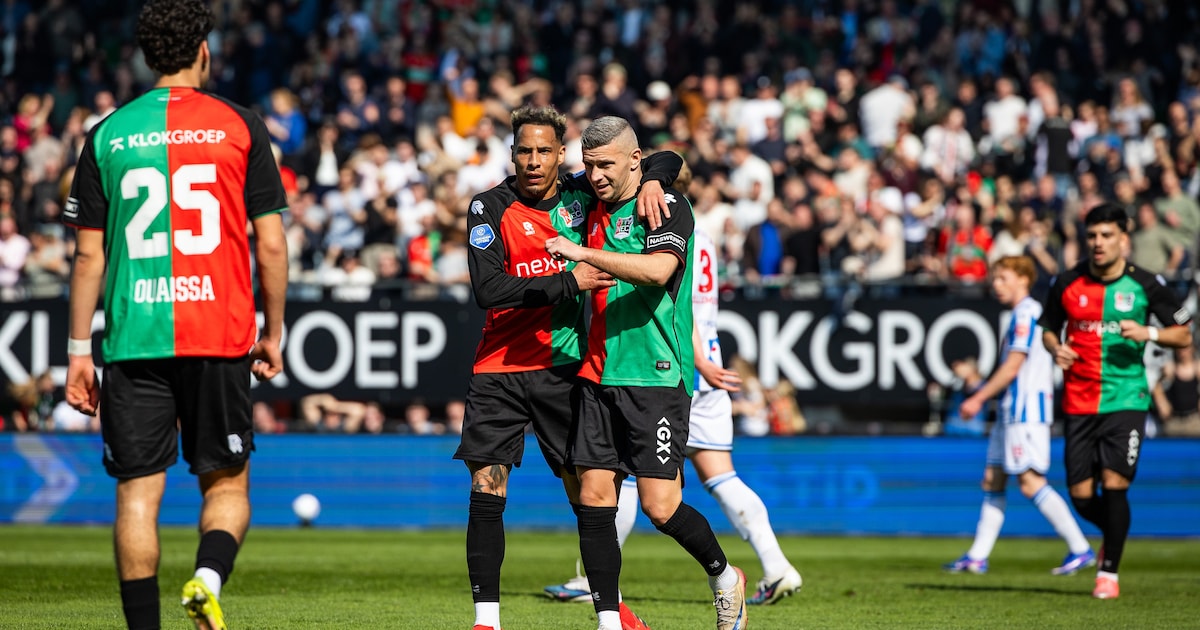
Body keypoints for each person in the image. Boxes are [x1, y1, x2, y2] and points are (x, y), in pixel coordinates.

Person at [62, 1, 288, 628]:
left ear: (144, 56)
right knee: (227, 486)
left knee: (137, 494)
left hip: (135, 338)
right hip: (218, 334)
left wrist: (80, 351)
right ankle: (206, 579)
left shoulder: (107, 133)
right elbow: (269, 243)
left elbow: (87, 258)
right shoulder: (239, 125)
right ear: (204, 51)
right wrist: (273, 332)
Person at [454, 105, 680, 630]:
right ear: (512, 154)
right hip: (498, 368)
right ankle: (486, 621)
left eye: (543, 151)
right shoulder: (489, 208)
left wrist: (655, 181)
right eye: (523, 151)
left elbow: (664, 155)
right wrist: (566, 284)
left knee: (589, 497)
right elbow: (489, 291)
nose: (532, 161)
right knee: (487, 488)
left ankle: (610, 612)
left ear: (562, 154)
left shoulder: (584, 193)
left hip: (566, 369)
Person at [546, 164, 802, 608]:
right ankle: (775, 564)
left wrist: (699, 360)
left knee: (654, 494)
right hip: (685, 361)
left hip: (674, 362)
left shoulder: (672, 228)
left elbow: (680, 299)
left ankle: (601, 578)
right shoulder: (705, 240)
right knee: (710, 478)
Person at [545, 116, 747, 630]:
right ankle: (610, 622)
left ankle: (725, 577)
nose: (594, 176)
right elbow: (538, 181)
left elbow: (658, 273)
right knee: (594, 497)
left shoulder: (668, 205)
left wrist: (582, 253)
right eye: (588, 166)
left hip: (656, 376)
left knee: (661, 508)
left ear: (635, 160)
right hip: (596, 373)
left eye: (606, 165)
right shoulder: (590, 197)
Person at [1039, 203, 1192, 600]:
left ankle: (1109, 572)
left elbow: (1184, 335)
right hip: (1078, 401)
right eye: (1092, 236)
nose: (1098, 243)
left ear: (1124, 239)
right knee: (1081, 495)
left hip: (1126, 398)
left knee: (1116, 485)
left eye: (1107, 236)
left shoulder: (1145, 284)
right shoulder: (1067, 282)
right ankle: (1115, 534)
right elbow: (1048, 329)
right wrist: (1056, 348)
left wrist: (1150, 333)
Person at [944, 256, 1095, 575]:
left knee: (1029, 482)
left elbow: (1014, 365)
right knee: (992, 478)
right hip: (1010, 412)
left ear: (1023, 279)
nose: (996, 285)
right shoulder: (1017, 314)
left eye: (1003, 278)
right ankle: (977, 557)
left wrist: (978, 397)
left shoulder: (1027, 313)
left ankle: (1080, 548)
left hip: (1026, 412)